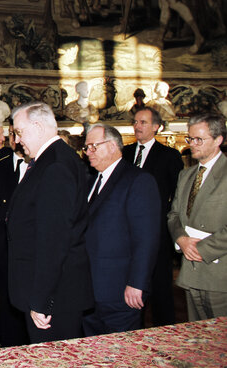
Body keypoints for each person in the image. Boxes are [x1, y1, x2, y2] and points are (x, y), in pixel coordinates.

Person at [7, 101, 93, 342]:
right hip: (50, 290)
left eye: (19, 132)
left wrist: (42, 300)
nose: (17, 140)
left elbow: (54, 239)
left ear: (37, 126)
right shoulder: (52, 160)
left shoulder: (55, 166)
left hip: (55, 296)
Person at [83, 124, 161, 335]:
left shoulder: (138, 180)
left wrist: (137, 283)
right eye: (86, 147)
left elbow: (146, 238)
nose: (88, 152)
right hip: (90, 290)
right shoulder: (91, 181)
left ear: (112, 146)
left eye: (93, 146)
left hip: (121, 291)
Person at [122, 107, 184, 326]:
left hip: (157, 233)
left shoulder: (169, 156)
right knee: (130, 288)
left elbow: (178, 195)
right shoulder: (125, 153)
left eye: (143, 122)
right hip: (125, 232)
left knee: (160, 290)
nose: (137, 126)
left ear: (157, 127)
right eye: (136, 122)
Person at [168, 113, 227, 321]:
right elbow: (173, 215)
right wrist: (181, 240)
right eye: (190, 138)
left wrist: (200, 249)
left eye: (199, 139)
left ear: (218, 140)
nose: (192, 144)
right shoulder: (186, 175)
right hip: (191, 274)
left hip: (219, 276)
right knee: (199, 342)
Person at [0, 121, 29, 347]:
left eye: (19, 134)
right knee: (4, 299)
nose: (15, 139)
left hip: (31, 248)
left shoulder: (41, 168)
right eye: (13, 134)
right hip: (3, 247)